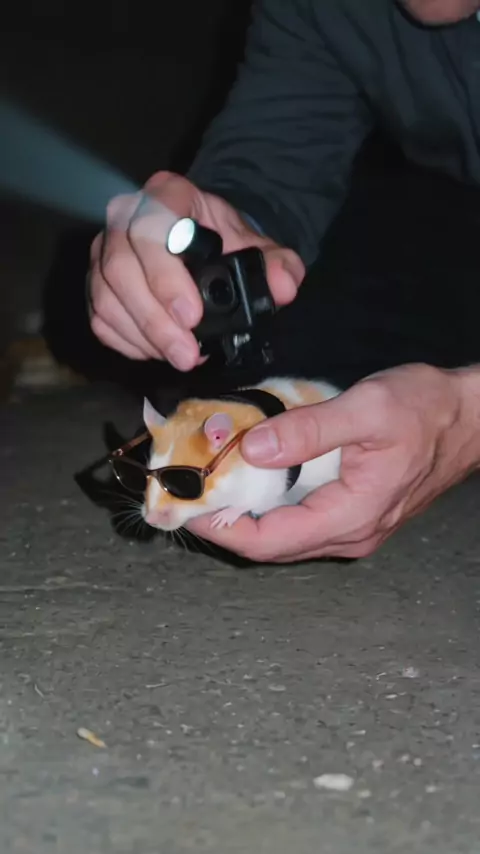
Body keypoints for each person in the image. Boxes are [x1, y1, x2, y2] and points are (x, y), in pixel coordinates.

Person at [87, 0, 480, 562]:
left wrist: (468, 413)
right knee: (288, 359)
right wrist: (221, 229)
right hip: (445, 213)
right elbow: (277, 147)